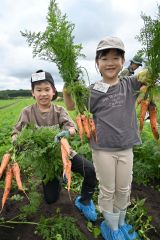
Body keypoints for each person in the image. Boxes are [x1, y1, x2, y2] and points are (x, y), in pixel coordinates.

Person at [64, 37, 145, 240]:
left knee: (124, 188)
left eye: (116, 57)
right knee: (108, 189)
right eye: (105, 58)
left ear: (123, 61)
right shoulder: (92, 91)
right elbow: (73, 106)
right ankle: (111, 228)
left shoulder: (129, 84)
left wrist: (148, 70)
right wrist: (67, 88)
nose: (110, 62)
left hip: (126, 147)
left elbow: (147, 77)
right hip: (102, 149)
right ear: (97, 63)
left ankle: (121, 222)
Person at [12, 69, 97, 222]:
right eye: (38, 90)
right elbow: (15, 132)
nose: (43, 93)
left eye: (46, 89)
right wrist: (16, 141)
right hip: (46, 162)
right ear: (33, 93)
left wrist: (67, 132)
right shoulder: (27, 112)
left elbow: (73, 128)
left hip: (64, 153)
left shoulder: (59, 110)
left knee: (90, 171)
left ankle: (85, 200)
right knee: (51, 199)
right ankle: (58, 178)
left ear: (53, 92)